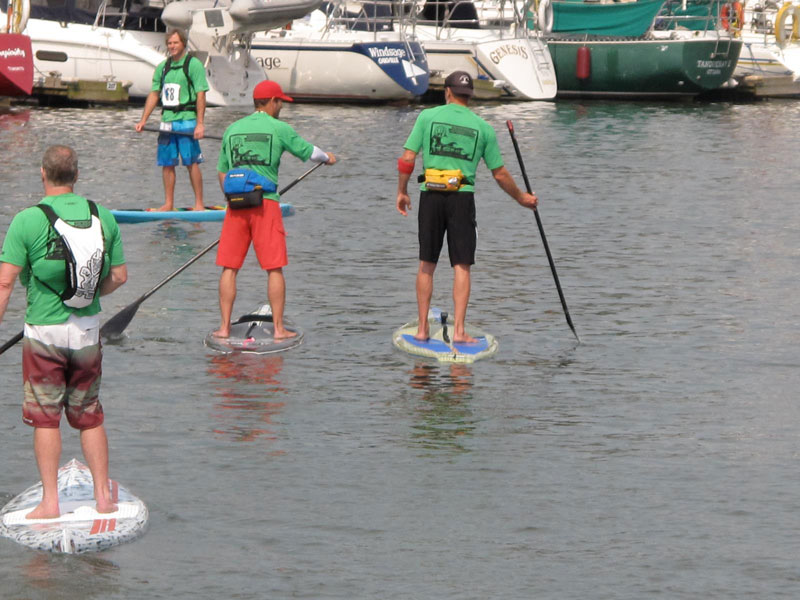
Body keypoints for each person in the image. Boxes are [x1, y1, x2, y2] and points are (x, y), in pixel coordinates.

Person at [0, 146, 127, 519]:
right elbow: (119, 277)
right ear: (76, 175)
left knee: (45, 417)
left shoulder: (26, 220)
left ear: (43, 173)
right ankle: (103, 499)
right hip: (87, 331)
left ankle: (50, 503)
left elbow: (5, 283)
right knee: (89, 414)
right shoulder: (103, 216)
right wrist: (87, 296)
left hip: (44, 334)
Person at [396, 70, 538, 343]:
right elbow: (500, 174)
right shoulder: (483, 127)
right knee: (462, 265)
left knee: (427, 263)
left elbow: (407, 159)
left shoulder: (427, 117)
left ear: (447, 92)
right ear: (470, 96)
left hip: (430, 195)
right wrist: (522, 198)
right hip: (462, 198)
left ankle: (423, 330)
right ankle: (460, 331)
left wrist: (402, 191)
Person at [213, 80, 336, 339]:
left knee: (229, 268)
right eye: (280, 102)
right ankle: (279, 330)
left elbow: (222, 172)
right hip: (265, 204)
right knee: (274, 268)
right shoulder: (279, 128)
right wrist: (328, 158)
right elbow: (310, 152)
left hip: (235, 205)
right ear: (271, 102)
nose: (281, 107)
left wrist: (232, 198)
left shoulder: (232, 129)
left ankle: (223, 328)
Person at [134, 28, 209, 212]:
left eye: (175, 42)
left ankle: (199, 203)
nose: (172, 46)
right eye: (169, 43)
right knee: (167, 164)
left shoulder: (193, 65)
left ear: (183, 43)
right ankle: (168, 204)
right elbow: (154, 94)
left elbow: (201, 95)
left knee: (191, 162)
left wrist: (200, 124)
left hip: (187, 120)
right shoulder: (162, 67)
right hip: (167, 121)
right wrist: (143, 120)